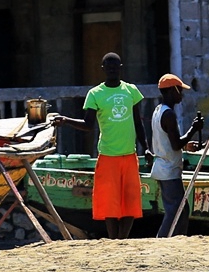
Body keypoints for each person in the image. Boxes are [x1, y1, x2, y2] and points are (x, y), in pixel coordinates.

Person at [52, 52, 149, 239]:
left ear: (121, 68)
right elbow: (88, 125)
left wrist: (146, 146)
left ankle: (123, 239)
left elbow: (138, 123)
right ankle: (114, 239)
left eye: (116, 66)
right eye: (109, 67)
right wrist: (65, 120)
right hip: (107, 156)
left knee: (130, 200)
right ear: (103, 69)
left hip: (129, 155)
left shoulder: (131, 91)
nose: (112, 69)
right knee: (110, 203)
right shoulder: (95, 94)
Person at [149, 74, 204, 237]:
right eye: (180, 90)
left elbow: (168, 141)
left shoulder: (158, 111)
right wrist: (193, 129)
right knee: (175, 211)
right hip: (168, 170)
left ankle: (177, 240)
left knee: (180, 209)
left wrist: (187, 145)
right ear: (172, 91)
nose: (182, 94)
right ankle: (162, 241)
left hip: (163, 167)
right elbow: (175, 144)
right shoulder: (168, 115)